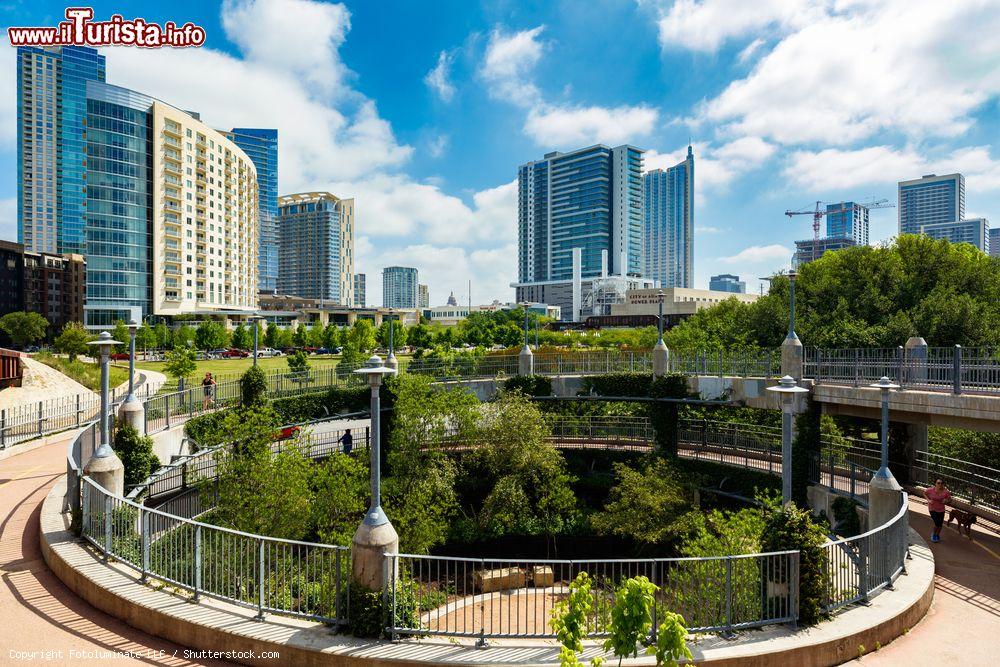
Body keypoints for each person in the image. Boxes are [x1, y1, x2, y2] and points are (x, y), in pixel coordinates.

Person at [924, 478, 951, 543]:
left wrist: (946, 501)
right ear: (935, 484)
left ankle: (937, 535)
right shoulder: (931, 490)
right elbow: (924, 493)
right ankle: (933, 534)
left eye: (941, 483)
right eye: (938, 483)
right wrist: (928, 500)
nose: (940, 484)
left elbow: (950, 499)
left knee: (940, 524)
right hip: (932, 508)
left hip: (941, 509)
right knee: (937, 523)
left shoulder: (946, 492)